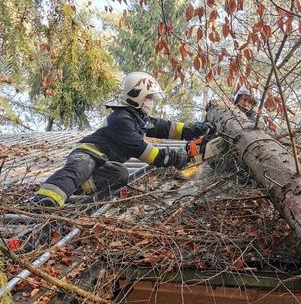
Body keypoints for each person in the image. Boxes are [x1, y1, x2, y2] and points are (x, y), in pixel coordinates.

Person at [30, 71, 213, 207]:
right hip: (89, 153)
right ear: (136, 96)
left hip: (106, 162)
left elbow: (166, 127)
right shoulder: (121, 119)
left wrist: (194, 129)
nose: (152, 101)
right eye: (149, 97)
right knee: (80, 168)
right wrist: (174, 158)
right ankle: (44, 200)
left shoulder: (137, 118)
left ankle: (81, 185)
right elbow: (142, 151)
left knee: (120, 175)